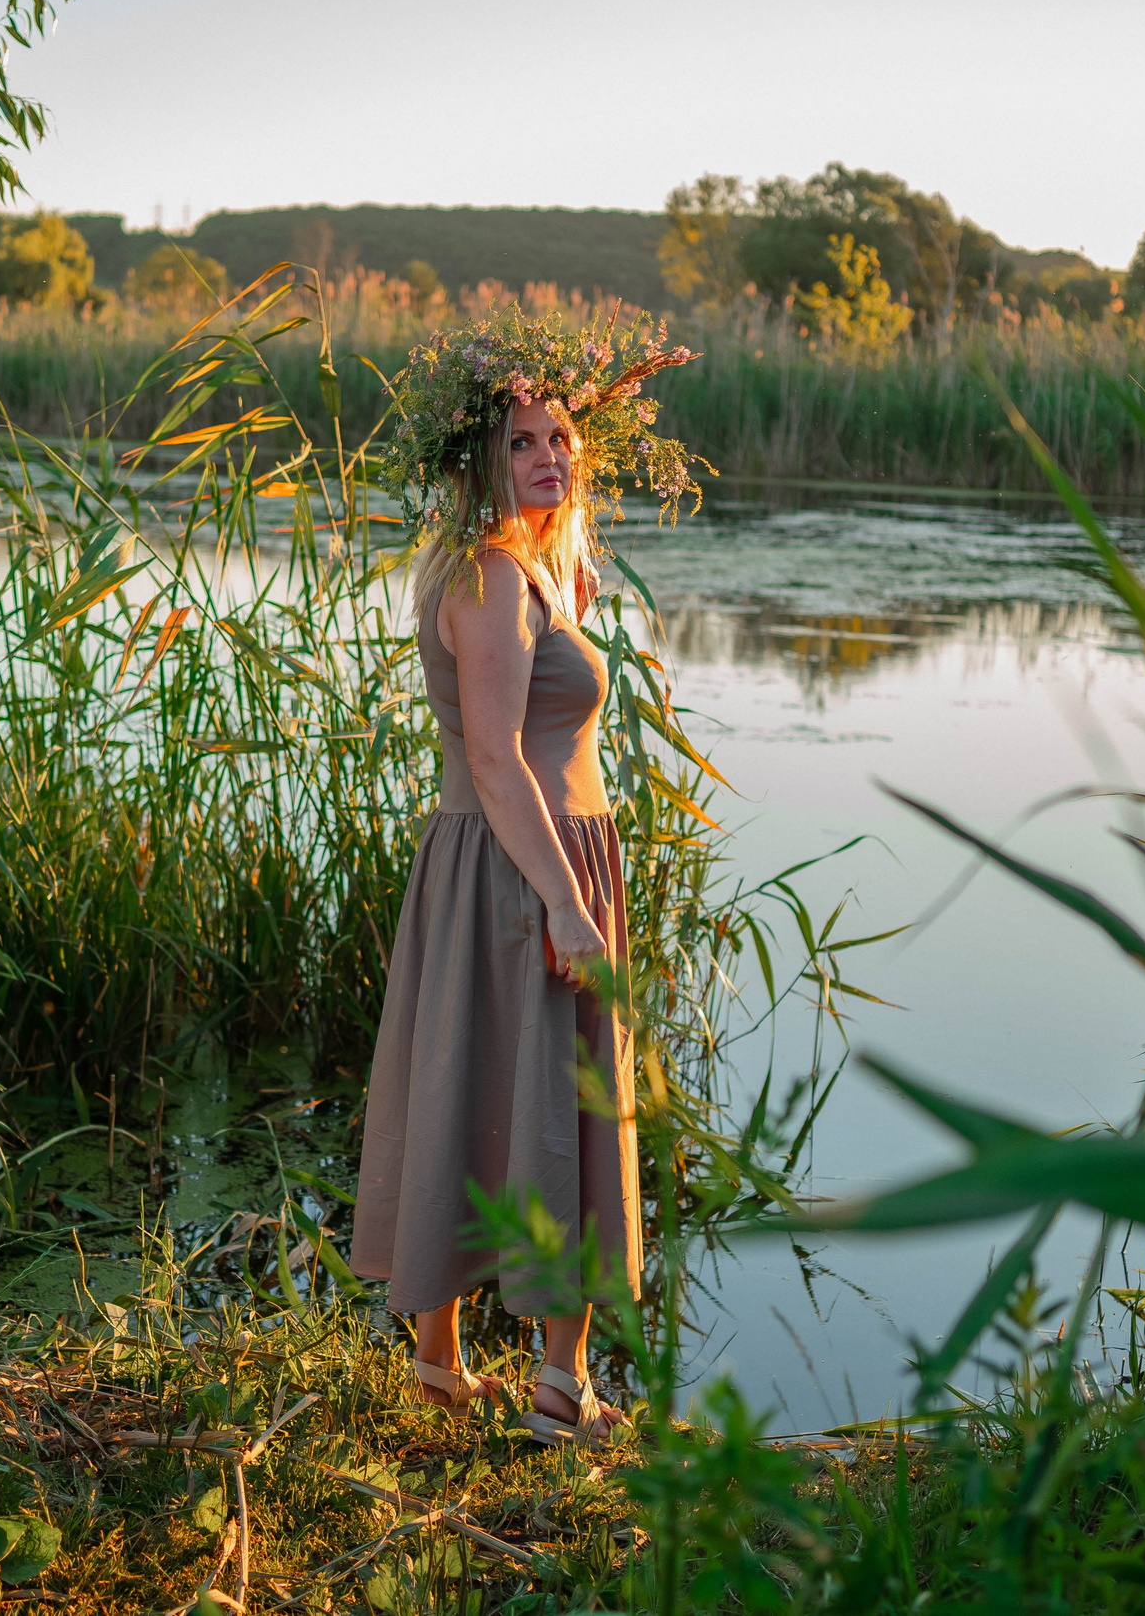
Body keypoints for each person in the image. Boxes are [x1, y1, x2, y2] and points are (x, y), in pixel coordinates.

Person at [349, 311, 699, 1446]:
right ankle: (561, 1391)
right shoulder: (493, 579)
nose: (548, 457)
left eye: (560, 440)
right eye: (522, 442)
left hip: (508, 867)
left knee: (468, 1096)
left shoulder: (519, 572)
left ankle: (446, 1372)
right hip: (523, 868)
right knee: (554, 1109)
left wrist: (566, 574)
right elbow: (498, 760)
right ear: (477, 461)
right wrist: (561, 898)